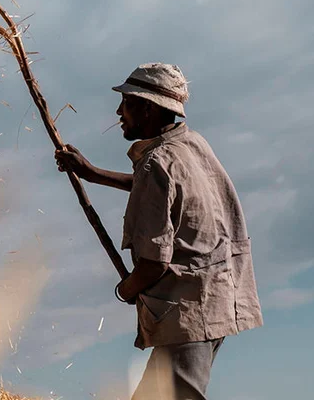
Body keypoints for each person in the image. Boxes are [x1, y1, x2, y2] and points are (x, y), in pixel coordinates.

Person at [55, 63, 263, 400]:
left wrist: (125, 289)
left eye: (126, 103)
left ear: (148, 108)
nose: (119, 112)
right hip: (214, 301)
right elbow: (162, 187)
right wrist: (92, 174)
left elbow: (154, 263)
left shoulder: (157, 163)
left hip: (188, 312)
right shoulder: (191, 145)